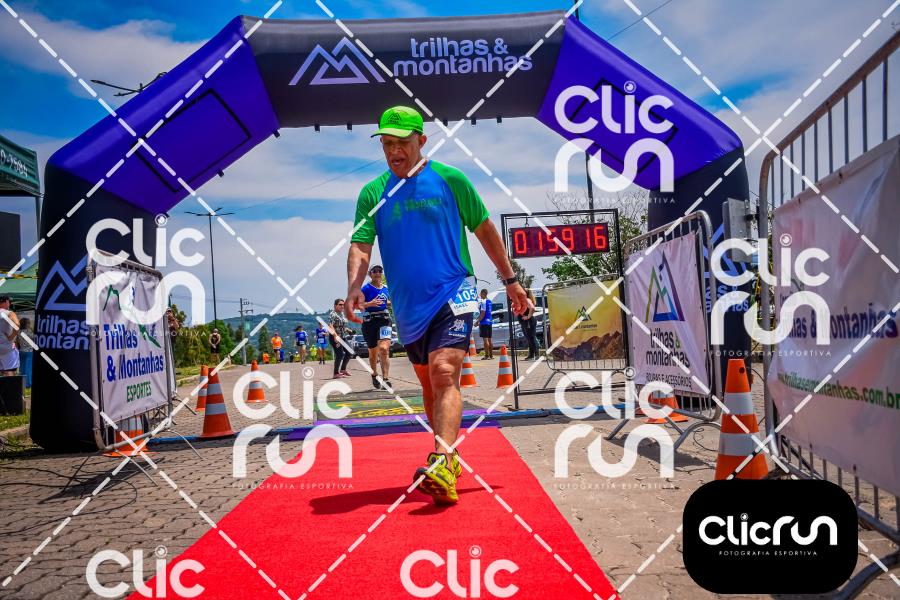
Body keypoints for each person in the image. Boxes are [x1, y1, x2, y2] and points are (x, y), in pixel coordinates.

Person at [346, 106, 528, 505]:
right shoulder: (372, 193)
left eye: (402, 143)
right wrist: (355, 286)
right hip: (409, 307)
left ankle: (442, 461)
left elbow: (484, 229)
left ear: (421, 141)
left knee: (445, 370)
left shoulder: (451, 180)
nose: (394, 151)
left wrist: (510, 281)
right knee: (430, 383)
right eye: (387, 144)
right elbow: (361, 245)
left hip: (454, 289)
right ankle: (449, 460)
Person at [361, 264, 392, 390]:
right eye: (375, 271)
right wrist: (370, 303)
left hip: (384, 320)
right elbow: (358, 305)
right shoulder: (365, 289)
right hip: (369, 322)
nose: (378, 273)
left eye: (380, 271)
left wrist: (390, 303)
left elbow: (388, 301)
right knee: (373, 353)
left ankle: (386, 379)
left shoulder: (386, 288)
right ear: (370, 274)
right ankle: (374, 374)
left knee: (384, 349)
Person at [328, 299, 352, 378]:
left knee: (349, 351)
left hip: (343, 336)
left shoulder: (342, 314)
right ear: (335, 306)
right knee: (339, 355)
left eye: (343, 305)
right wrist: (335, 335)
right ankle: (335, 373)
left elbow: (341, 326)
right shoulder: (333, 314)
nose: (342, 306)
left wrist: (348, 330)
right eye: (340, 304)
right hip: (335, 337)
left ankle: (343, 370)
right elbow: (330, 326)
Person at [0, 295, 20, 377]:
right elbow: (17, 325)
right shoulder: (9, 313)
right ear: (6, 302)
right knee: (9, 372)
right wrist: (12, 336)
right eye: (10, 302)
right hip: (6, 347)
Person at [517, 289, 539, 360]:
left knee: (531, 338)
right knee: (529, 338)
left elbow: (532, 308)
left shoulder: (527, 300)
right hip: (526, 322)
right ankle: (531, 355)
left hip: (528, 322)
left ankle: (536, 354)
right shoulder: (526, 300)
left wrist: (528, 317)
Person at [476, 289, 494, 360]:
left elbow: (483, 314)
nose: (480, 295)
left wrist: (477, 321)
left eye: (481, 294)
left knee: (485, 339)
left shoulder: (483, 302)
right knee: (490, 339)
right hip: (490, 322)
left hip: (484, 322)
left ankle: (487, 355)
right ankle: (491, 355)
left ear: (483, 294)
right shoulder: (489, 301)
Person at [17, 317, 34, 388]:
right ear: (26, 324)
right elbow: (35, 338)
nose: (29, 324)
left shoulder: (19, 331)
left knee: (22, 368)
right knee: (28, 368)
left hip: (21, 351)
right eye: (28, 323)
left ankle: (21, 383)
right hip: (29, 352)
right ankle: (28, 384)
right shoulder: (28, 331)